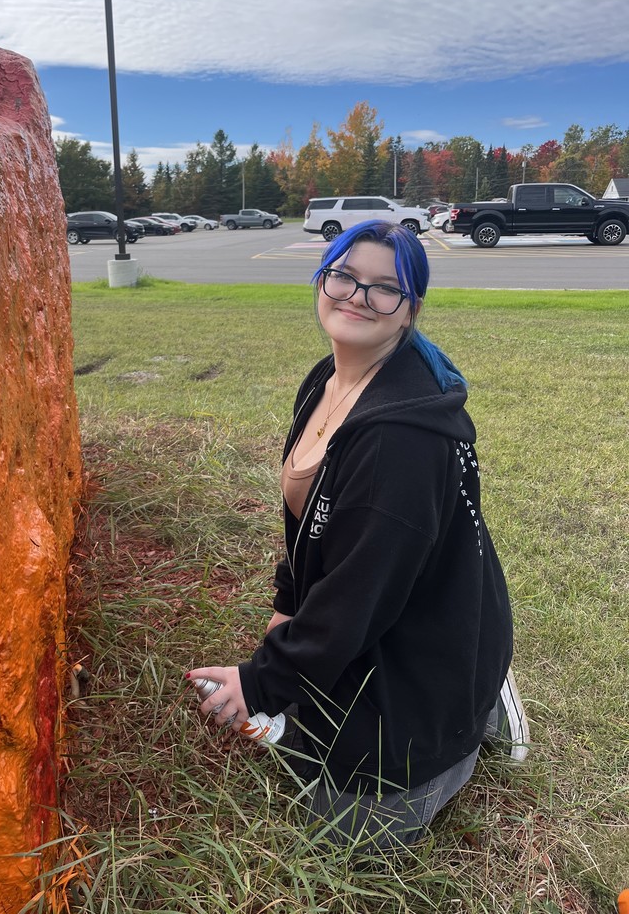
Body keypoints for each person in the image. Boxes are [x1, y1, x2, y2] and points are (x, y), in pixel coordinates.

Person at [189, 219, 530, 850]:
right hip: (395, 614)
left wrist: (262, 680)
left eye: (383, 288)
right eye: (344, 276)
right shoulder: (327, 379)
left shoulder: (398, 440)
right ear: (322, 280)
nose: (356, 295)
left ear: (410, 311)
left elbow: (356, 597)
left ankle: (475, 695)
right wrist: (286, 610)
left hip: (412, 643)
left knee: (347, 829)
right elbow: (304, 524)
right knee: (298, 740)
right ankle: (473, 670)